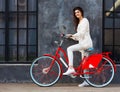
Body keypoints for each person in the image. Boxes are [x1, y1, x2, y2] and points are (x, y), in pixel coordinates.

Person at [63, 7, 93, 87]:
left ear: (81, 12)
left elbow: (82, 33)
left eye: (78, 12)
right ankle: (87, 81)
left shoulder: (85, 21)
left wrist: (72, 35)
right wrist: (71, 36)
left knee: (69, 49)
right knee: (85, 64)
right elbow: (79, 36)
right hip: (83, 44)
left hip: (85, 44)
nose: (77, 14)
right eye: (75, 13)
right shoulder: (80, 22)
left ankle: (71, 67)